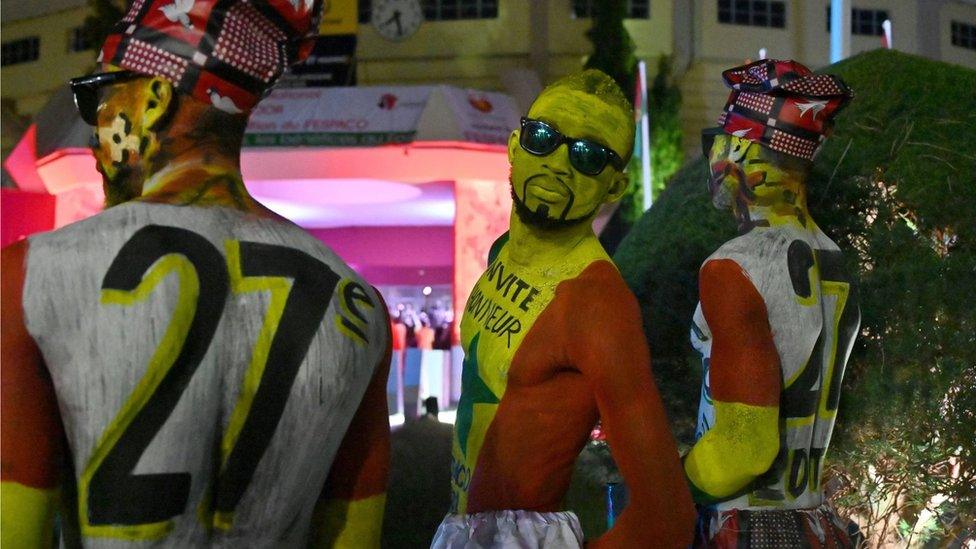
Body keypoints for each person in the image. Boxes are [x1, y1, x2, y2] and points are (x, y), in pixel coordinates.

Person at [0, 1, 390, 546]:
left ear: (155, 99)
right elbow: (354, 535)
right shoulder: (359, 304)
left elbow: (15, 529)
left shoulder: (30, 278)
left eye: (98, 99)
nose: (94, 135)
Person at [433, 69, 694, 548]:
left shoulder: (595, 304)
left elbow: (668, 517)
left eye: (588, 156)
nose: (557, 163)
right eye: (542, 138)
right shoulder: (502, 252)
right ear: (514, 145)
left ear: (614, 187)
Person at [685, 59, 860, 547]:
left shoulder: (736, 264)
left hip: (748, 524)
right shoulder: (834, 256)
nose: (714, 160)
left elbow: (745, 448)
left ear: (743, 152)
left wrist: (669, 484)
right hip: (813, 519)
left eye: (718, 144)